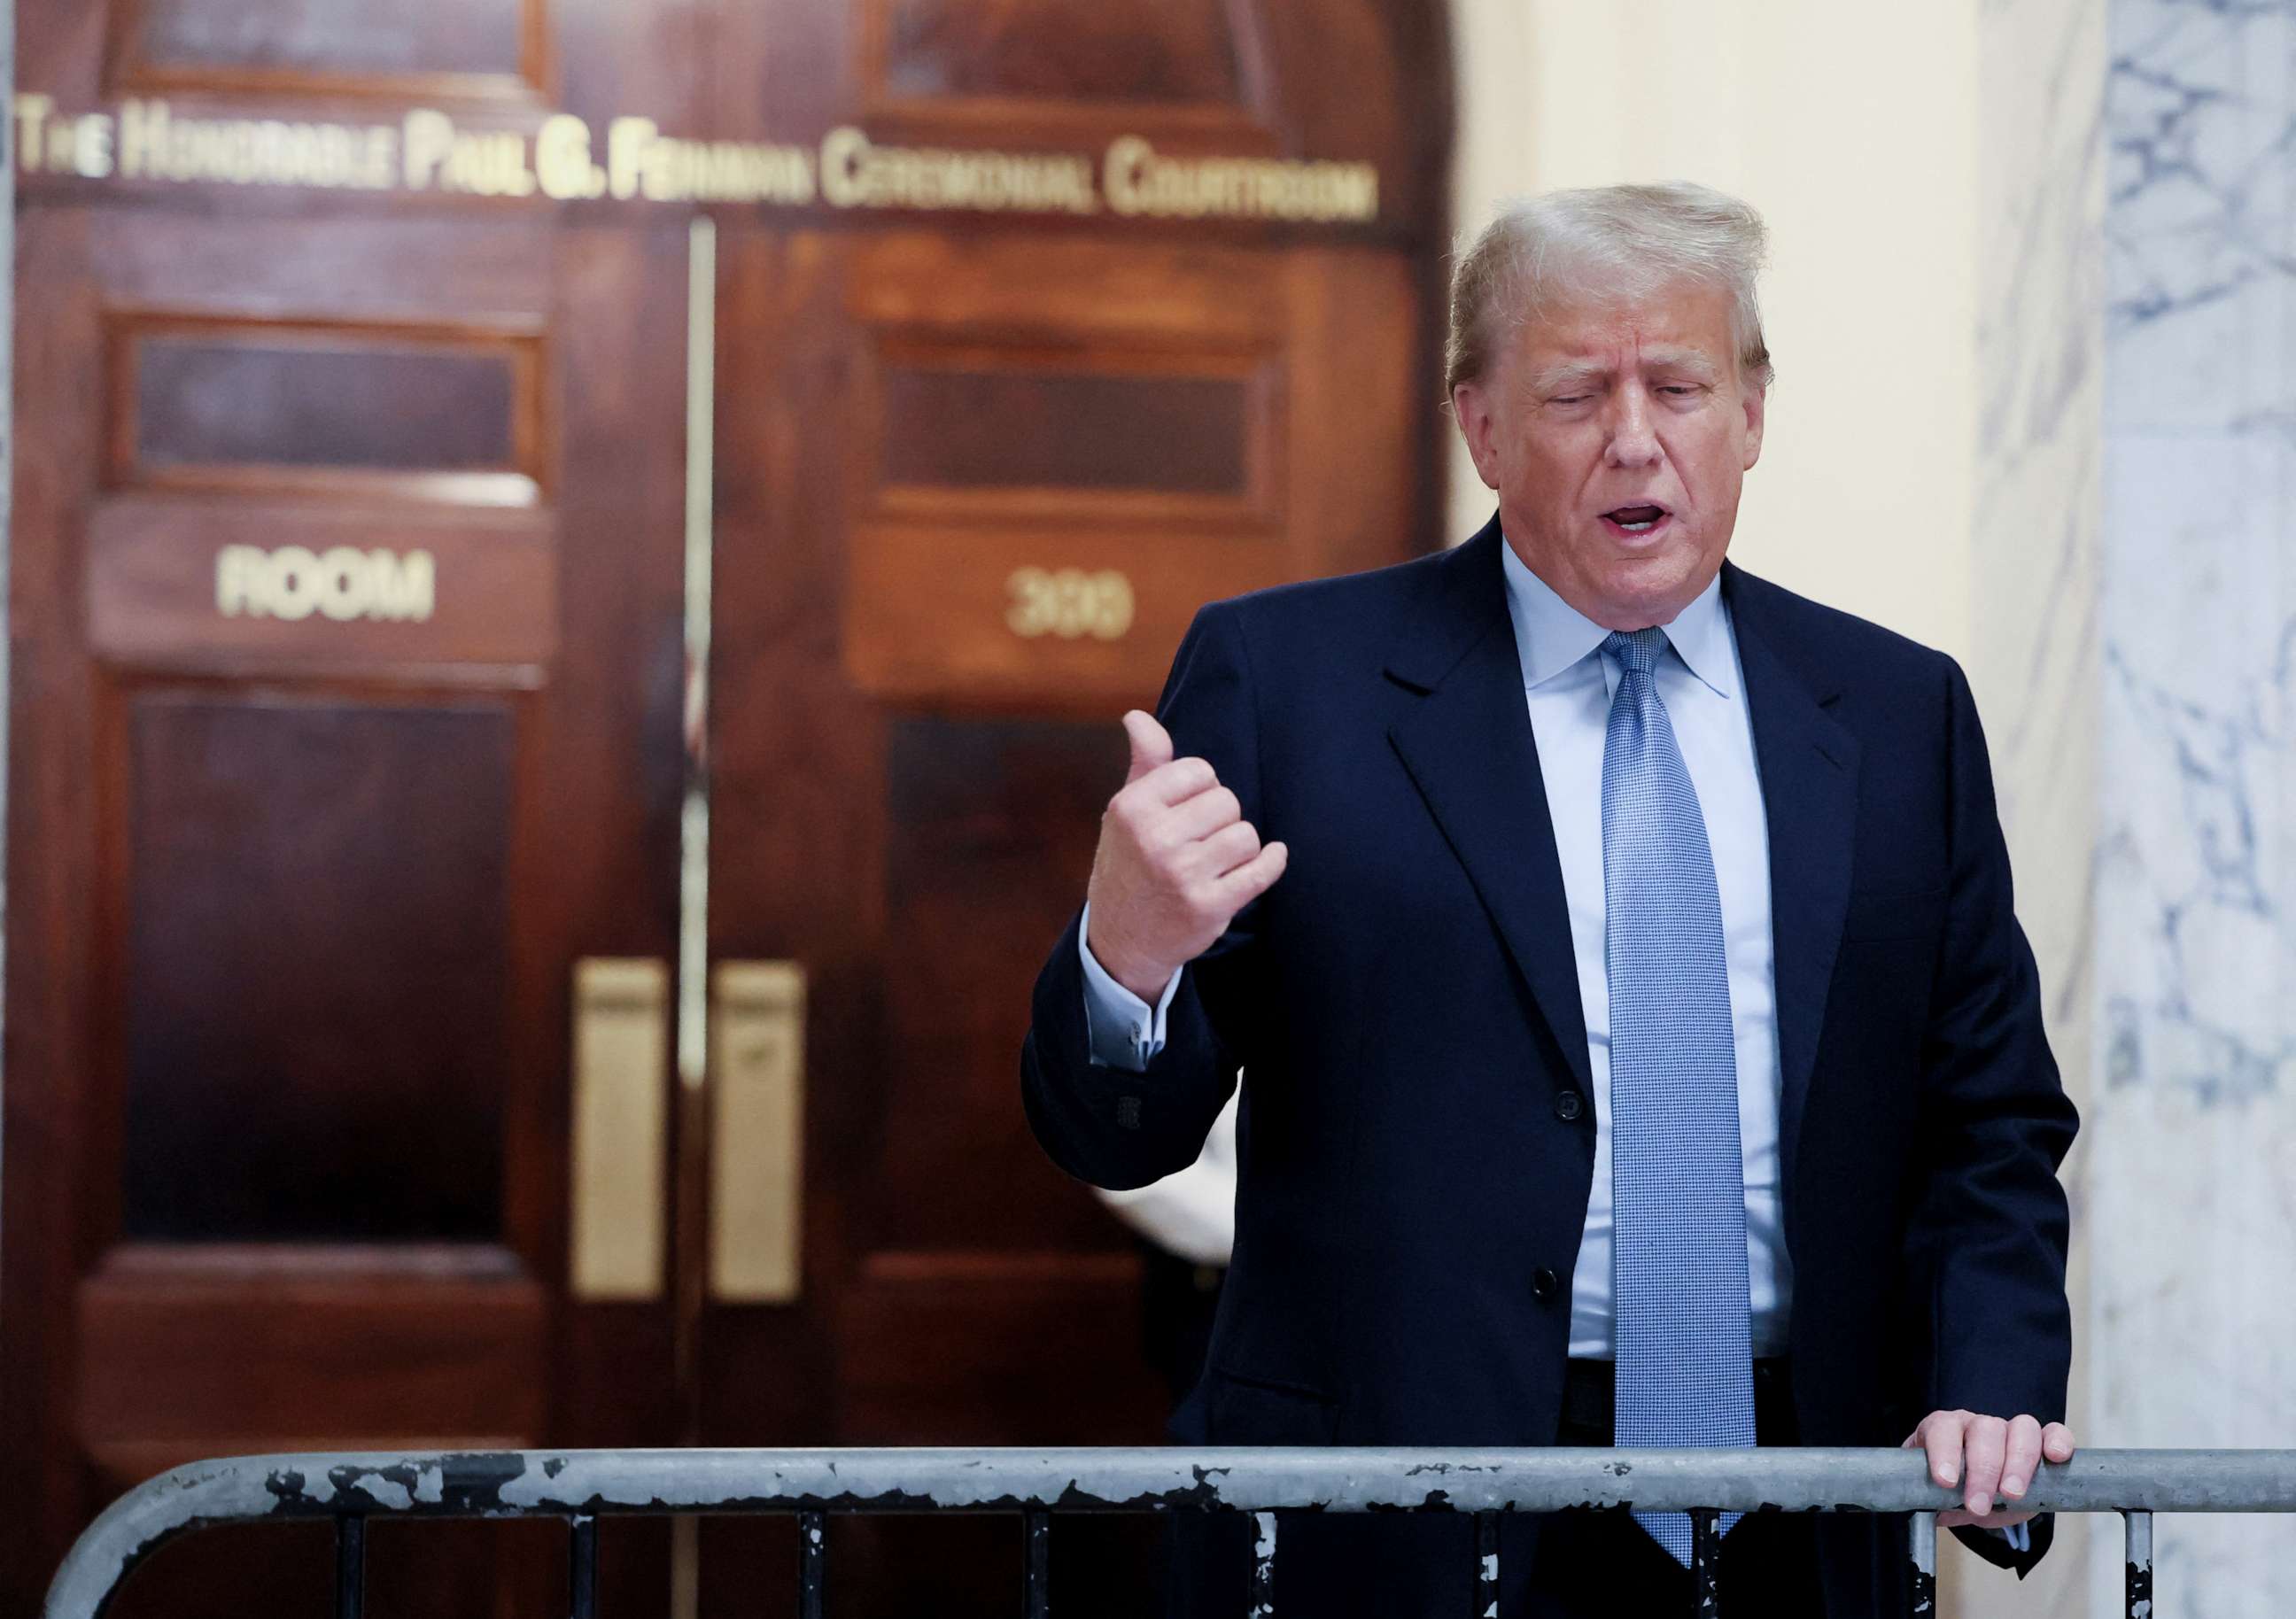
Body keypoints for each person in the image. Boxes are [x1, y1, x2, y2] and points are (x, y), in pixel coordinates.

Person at [1020, 182, 2078, 1617]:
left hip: (1797, 1499)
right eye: (1577, 392)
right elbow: (1117, 1134)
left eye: (1683, 387)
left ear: (1752, 414)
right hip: (1398, 1514)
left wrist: (1990, 1373)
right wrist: (1127, 958)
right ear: (1485, 428)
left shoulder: (1898, 716)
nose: (1635, 438)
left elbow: (1991, 1116)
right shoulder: (1290, 686)